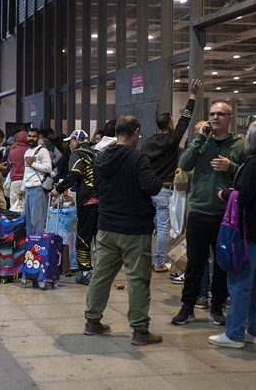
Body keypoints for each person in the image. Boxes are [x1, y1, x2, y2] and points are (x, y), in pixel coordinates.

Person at [83, 115, 163, 345]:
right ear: (136, 132)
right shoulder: (138, 158)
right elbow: (152, 186)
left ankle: (92, 321)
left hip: (106, 227)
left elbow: (96, 189)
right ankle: (140, 331)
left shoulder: (101, 157)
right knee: (138, 280)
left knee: (101, 275)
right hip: (134, 229)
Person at [208, 120, 256, 348]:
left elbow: (244, 197)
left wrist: (226, 195)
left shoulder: (253, 165)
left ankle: (233, 334)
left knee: (240, 283)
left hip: (249, 233)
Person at [172, 101, 245, 326]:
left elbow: (247, 176)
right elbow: (184, 164)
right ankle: (187, 307)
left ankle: (216, 307)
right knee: (195, 262)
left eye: (220, 114)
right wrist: (199, 139)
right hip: (199, 211)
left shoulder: (239, 145)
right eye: (212, 114)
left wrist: (230, 167)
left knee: (222, 264)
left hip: (225, 214)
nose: (215, 118)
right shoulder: (202, 142)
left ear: (230, 117)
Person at [140, 78, 200, 273]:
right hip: (164, 191)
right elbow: (186, 119)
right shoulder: (172, 140)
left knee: (146, 228)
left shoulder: (148, 142)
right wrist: (192, 95)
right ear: (171, 125)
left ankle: (144, 261)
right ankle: (158, 263)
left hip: (147, 190)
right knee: (163, 228)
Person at [51, 129, 97, 285]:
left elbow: (75, 173)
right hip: (102, 200)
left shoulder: (78, 154)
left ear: (77, 141)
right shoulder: (96, 153)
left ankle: (85, 273)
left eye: (70, 142)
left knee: (83, 237)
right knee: (100, 239)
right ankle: (103, 272)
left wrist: (59, 189)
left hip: (88, 201)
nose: (69, 145)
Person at [20, 128, 53, 234]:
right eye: (29, 136)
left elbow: (48, 168)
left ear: (38, 138)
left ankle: (37, 247)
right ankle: (30, 246)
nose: (31, 138)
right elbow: (26, 171)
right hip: (28, 189)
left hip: (38, 188)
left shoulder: (43, 151)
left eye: (34, 136)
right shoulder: (27, 152)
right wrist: (23, 188)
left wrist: (32, 164)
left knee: (37, 221)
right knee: (28, 221)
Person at [7, 130, 29, 212]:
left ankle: (17, 224)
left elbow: (9, 164)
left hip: (16, 182)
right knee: (27, 207)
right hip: (28, 182)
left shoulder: (12, 152)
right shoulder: (31, 151)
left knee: (14, 207)